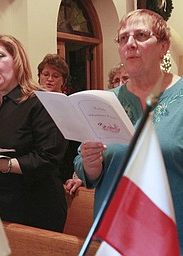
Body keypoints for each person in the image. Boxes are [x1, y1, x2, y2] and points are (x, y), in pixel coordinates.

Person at [66, 9, 183, 252]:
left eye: (141, 35)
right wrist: (90, 163)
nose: (130, 43)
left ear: (164, 46)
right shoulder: (102, 102)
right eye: (123, 38)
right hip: (114, 236)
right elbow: (83, 166)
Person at [0, 34, 68, 232]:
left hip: (34, 209)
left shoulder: (42, 102)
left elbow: (48, 158)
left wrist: (1, 165)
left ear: (17, 61)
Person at [37, 53, 82, 187]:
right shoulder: (31, 103)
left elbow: (78, 143)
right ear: (39, 76)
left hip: (63, 172)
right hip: (36, 170)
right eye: (45, 74)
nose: (50, 79)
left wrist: (77, 175)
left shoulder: (71, 105)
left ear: (63, 81)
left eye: (56, 76)